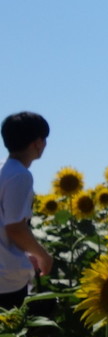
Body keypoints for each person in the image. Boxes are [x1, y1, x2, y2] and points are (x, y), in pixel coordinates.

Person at [0, 112, 53, 312]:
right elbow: (15, 228)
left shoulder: (3, 170)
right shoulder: (20, 176)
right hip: (7, 279)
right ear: (38, 143)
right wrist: (42, 255)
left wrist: (24, 254)